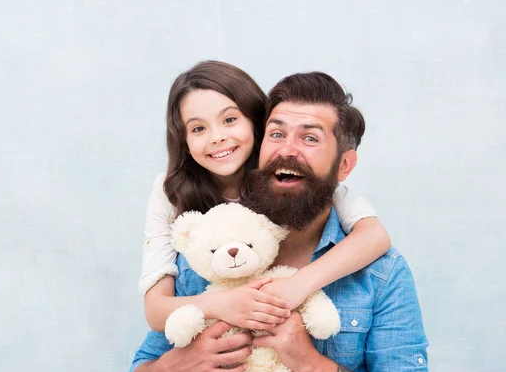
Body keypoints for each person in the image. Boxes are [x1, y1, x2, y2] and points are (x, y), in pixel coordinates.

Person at [127, 71, 430, 372]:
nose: (288, 150)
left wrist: (309, 363)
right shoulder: (213, 257)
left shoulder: (381, 275)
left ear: (344, 166)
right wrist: (176, 368)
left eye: (310, 138)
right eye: (276, 134)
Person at [141, 61, 390, 336]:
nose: (217, 138)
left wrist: (298, 285)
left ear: (255, 122)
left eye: (229, 119)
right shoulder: (171, 189)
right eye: (198, 128)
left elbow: (373, 235)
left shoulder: (283, 177)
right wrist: (222, 304)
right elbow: (155, 310)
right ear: (183, 141)